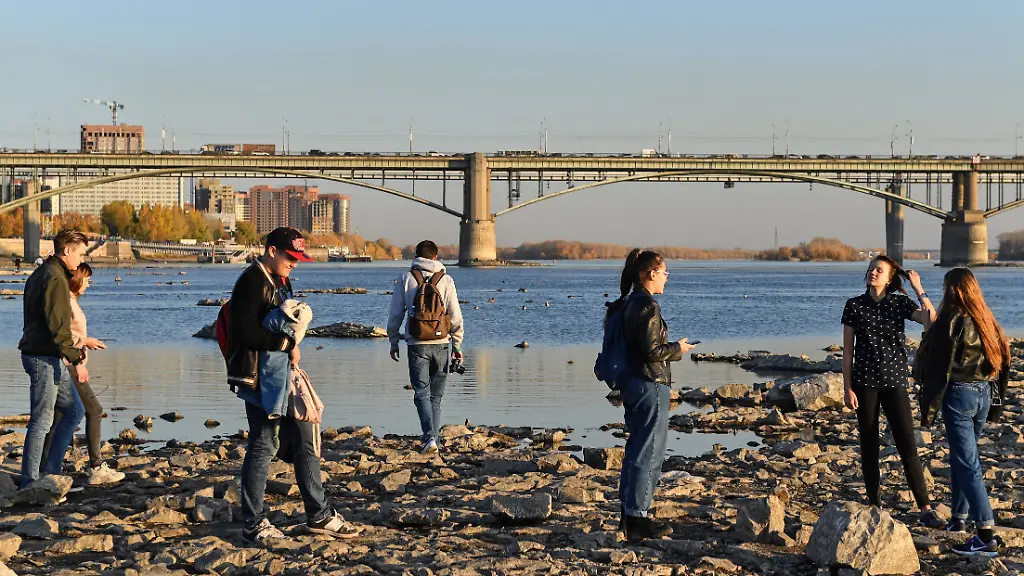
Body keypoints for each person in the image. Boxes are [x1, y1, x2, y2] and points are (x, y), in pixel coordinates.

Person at [228, 227, 361, 544]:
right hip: (258, 379)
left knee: (305, 440)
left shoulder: (280, 280)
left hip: (281, 375)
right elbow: (243, 333)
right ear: (272, 251)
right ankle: (254, 523)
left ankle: (320, 515)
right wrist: (286, 343)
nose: (295, 263)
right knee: (263, 444)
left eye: (298, 258)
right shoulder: (251, 281)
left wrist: (289, 344)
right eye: (291, 257)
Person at [841, 255, 945, 527]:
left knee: (907, 444)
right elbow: (848, 351)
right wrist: (846, 387)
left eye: (879, 270)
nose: (872, 273)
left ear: (889, 278)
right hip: (864, 384)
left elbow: (931, 321)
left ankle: (925, 507)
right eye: (871, 269)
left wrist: (918, 287)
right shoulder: (854, 305)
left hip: (895, 382)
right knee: (869, 445)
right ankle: (874, 503)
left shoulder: (899, 303)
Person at [920, 268, 1009, 557]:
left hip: (958, 393)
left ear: (953, 289)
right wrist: (995, 403)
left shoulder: (952, 318)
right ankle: (959, 518)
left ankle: (985, 535)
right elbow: (1002, 362)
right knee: (963, 459)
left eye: (946, 286)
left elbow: (938, 367)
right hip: (982, 393)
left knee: (967, 462)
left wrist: (929, 408)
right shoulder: (987, 319)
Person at [608, 249, 696, 542]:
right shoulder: (647, 305)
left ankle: (628, 514)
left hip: (633, 384)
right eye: (664, 273)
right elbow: (651, 351)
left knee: (636, 449)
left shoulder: (628, 303)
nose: (667, 279)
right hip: (649, 384)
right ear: (650, 273)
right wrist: (678, 349)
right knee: (650, 451)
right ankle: (638, 518)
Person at [18, 230, 89, 489]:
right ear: (67, 250)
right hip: (43, 357)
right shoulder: (55, 278)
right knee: (42, 419)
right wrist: (78, 359)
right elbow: (57, 328)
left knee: (74, 410)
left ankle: (51, 473)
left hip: (45, 354)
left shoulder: (42, 273)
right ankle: (30, 482)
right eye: (80, 254)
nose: (81, 261)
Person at [41, 263, 124, 485]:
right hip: (69, 363)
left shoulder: (70, 300)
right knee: (94, 411)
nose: (88, 284)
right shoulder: (66, 302)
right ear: (76, 279)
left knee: (60, 415)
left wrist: (85, 343)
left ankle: (45, 468)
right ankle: (96, 467)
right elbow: (60, 335)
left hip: (68, 361)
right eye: (86, 279)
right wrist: (84, 343)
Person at [387, 240, 465, 454]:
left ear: (416, 256)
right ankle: (434, 439)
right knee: (436, 397)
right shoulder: (447, 280)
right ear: (436, 257)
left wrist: (393, 340)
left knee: (421, 393)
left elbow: (396, 314)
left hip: (416, 344)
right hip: (441, 344)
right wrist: (457, 345)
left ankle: (429, 437)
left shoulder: (405, 278)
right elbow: (455, 315)